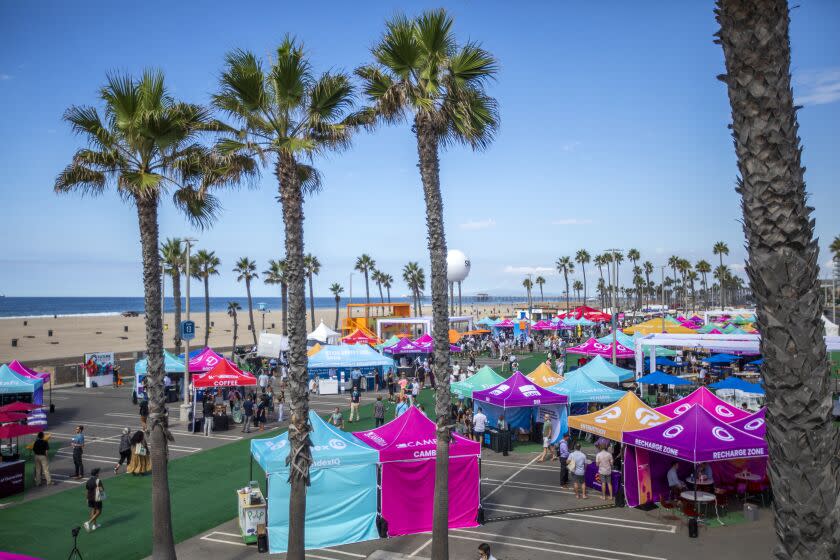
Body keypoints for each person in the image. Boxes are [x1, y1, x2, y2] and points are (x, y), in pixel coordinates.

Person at [83, 468, 105, 532]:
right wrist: (99, 488)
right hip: (96, 498)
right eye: (98, 473)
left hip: (90, 498)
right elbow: (102, 489)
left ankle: (94, 525)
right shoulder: (98, 480)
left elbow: (87, 490)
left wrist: (87, 498)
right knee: (99, 512)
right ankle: (88, 523)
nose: (99, 474)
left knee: (93, 510)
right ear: (96, 474)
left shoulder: (88, 481)